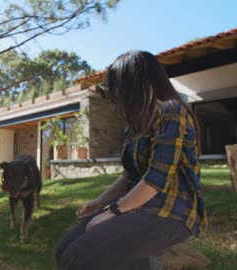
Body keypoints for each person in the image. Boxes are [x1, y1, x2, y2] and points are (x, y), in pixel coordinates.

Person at [55, 50, 208, 270]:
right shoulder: (137, 125)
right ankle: (147, 263)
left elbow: (156, 179)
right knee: (64, 251)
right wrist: (99, 203)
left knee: (77, 258)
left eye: (116, 88)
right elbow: (129, 175)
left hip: (171, 212)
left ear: (134, 84)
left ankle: (158, 262)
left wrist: (111, 212)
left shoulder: (171, 111)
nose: (114, 95)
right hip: (138, 207)